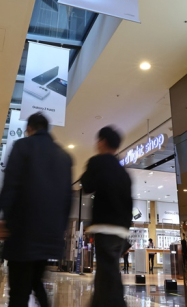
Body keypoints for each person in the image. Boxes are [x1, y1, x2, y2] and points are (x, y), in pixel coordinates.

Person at [0, 113, 73, 307]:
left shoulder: (23, 146)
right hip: (49, 235)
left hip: (23, 230)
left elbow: (10, 184)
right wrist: (60, 230)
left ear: (30, 128)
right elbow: (68, 199)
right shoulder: (64, 156)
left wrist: (0, 217)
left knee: (19, 292)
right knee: (36, 283)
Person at [81, 126, 133, 307]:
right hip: (121, 230)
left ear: (102, 142)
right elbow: (129, 202)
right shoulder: (124, 173)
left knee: (107, 271)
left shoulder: (97, 162)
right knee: (108, 270)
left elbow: (87, 185)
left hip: (104, 226)